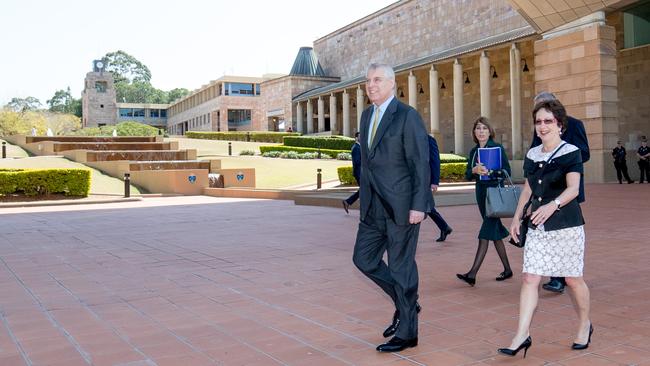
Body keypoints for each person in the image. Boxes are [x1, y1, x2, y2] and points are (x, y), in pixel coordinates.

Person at [500, 99, 592, 358]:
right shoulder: (533, 154)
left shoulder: (570, 152)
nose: (542, 126)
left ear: (560, 124)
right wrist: (517, 217)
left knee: (573, 279)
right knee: (530, 277)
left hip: (566, 226)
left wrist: (553, 205)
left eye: (548, 121)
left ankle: (585, 323)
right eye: (538, 122)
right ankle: (522, 334)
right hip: (538, 226)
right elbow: (528, 188)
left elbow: (573, 189)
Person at [352, 63, 431, 353]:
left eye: (376, 80)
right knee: (363, 259)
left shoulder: (407, 116)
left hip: (402, 207)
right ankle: (406, 302)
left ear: (391, 83)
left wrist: (419, 205)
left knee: (401, 269)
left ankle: (408, 332)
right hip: (373, 207)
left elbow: (419, 163)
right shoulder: (366, 116)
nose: (370, 85)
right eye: (367, 81)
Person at [530, 92, 590, 294]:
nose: (542, 124)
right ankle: (556, 277)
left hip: (566, 187)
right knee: (547, 231)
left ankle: (565, 276)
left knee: (563, 229)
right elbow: (535, 152)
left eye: (546, 117)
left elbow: (585, 152)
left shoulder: (575, 124)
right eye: (538, 118)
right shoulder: (539, 128)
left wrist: (563, 159)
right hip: (544, 189)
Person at [456, 117, 513, 286]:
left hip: (494, 192)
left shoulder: (497, 148)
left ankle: (472, 274)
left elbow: (507, 171)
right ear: (474, 132)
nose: (481, 131)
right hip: (481, 192)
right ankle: (508, 270)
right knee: (494, 233)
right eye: (478, 128)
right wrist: (473, 170)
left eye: (484, 128)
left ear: (490, 131)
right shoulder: (474, 152)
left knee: (485, 233)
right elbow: (467, 174)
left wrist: (492, 171)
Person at [427, 134, 453, 242]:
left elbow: (435, 160)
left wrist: (434, 182)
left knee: (425, 206)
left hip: (424, 181)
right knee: (427, 207)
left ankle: (444, 227)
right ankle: (444, 227)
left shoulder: (429, 139)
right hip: (409, 181)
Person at [342, 132, 361, 213]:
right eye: (360, 136)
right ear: (356, 138)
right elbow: (357, 161)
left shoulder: (359, 147)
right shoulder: (356, 148)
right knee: (365, 189)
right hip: (359, 172)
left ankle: (348, 202)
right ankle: (349, 202)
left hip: (360, 172)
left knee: (364, 189)